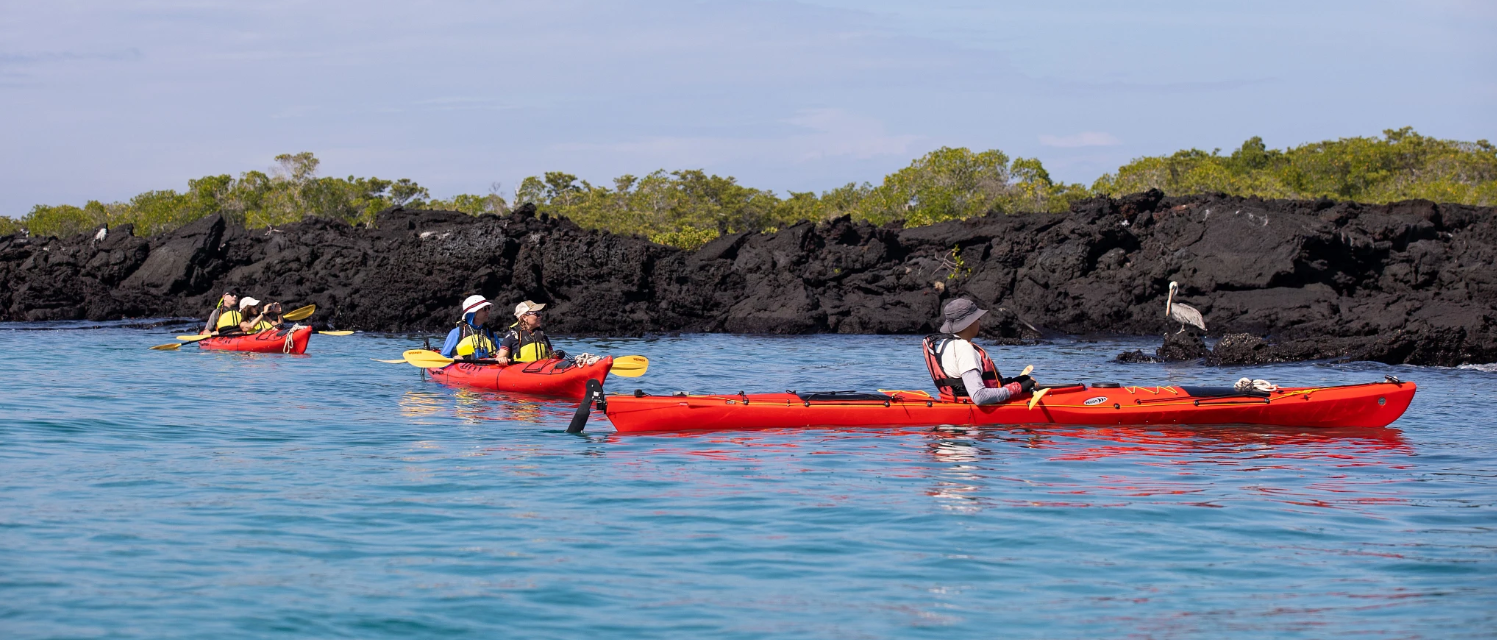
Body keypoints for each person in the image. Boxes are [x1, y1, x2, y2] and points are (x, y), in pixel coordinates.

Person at [922, 298, 1035, 405]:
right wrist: (1017, 388)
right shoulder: (965, 349)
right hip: (970, 410)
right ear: (970, 323)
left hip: (954, 399)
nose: (979, 322)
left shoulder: (945, 343)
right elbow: (979, 396)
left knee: (1026, 381)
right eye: (977, 318)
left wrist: (1014, 382)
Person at [496, 300, 561, 365]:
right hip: (521, 371)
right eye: (537, 314)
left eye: (540, 313)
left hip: (543, 369)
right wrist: (502, 359)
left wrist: (557, 355)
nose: (540, 316)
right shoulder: (512, 335)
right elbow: (500, 357)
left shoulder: (542, 334)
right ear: (524, 317)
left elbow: (552, 355)